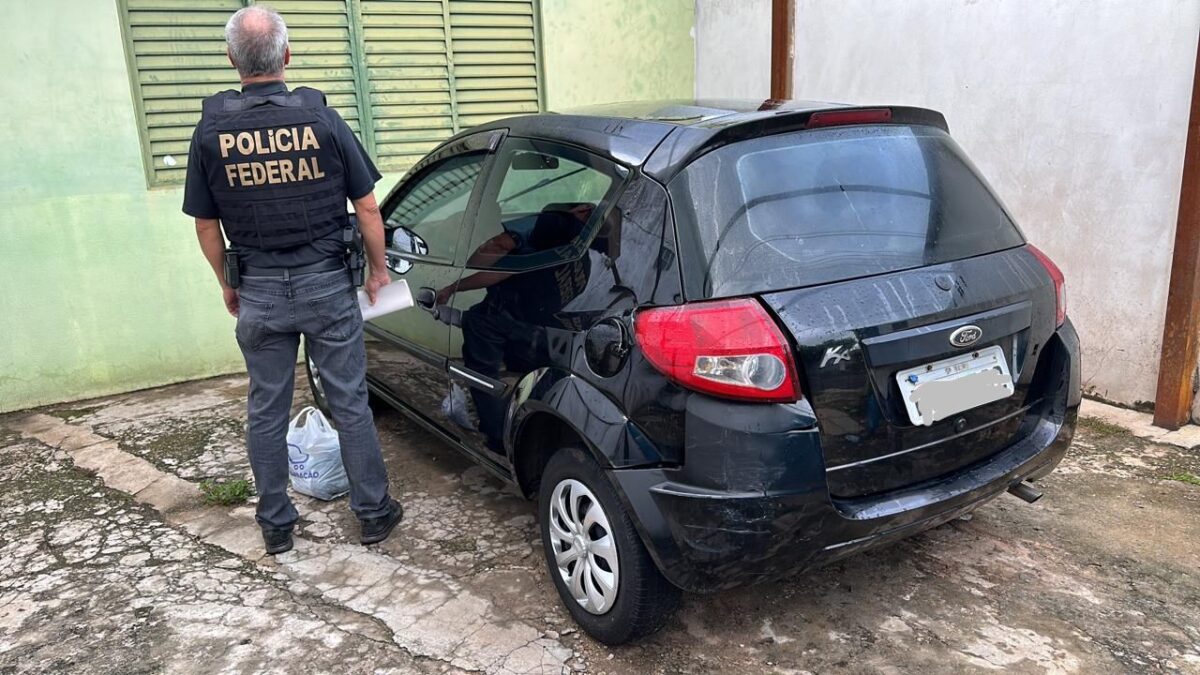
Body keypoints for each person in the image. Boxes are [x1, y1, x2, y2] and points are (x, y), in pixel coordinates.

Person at [181, 6, 402, 555]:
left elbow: (206, 224)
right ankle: (373, 513)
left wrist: (225, 283)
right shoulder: (323, 119)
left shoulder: (211, 131)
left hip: (257, 289)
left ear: (233, 59)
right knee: (349, 401)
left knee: (266, 408)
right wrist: (379, 270)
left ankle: (277, 524)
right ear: (286, 55)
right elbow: (368, 208)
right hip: (327, 284)